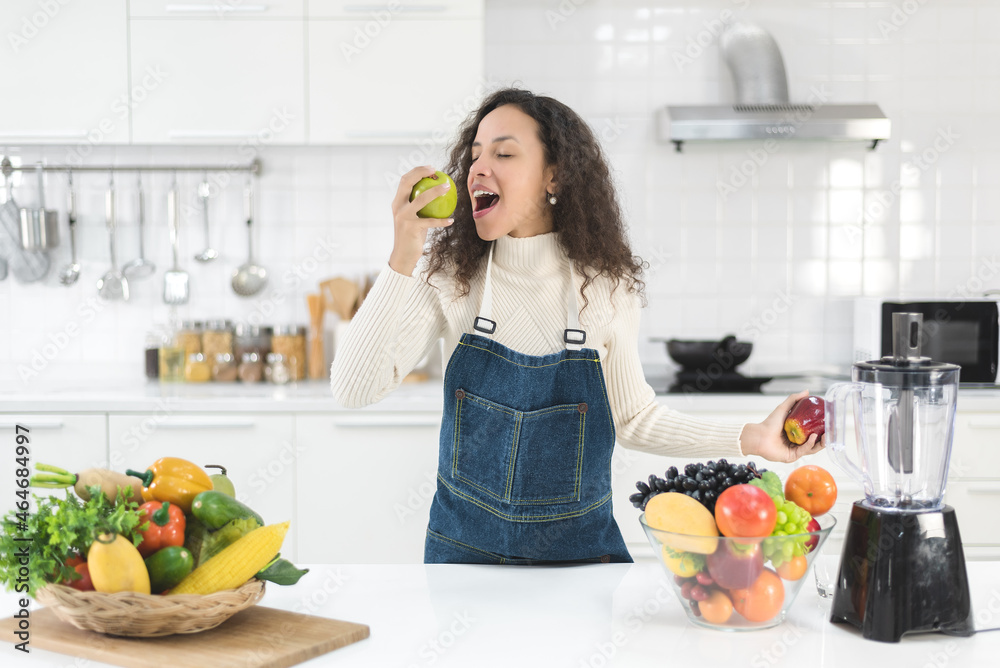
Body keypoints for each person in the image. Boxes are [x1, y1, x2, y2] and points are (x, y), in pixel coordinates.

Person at [331, 88, 824, 565]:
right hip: (464, 562)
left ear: (554, 177)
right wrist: (404, 252)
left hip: (579, 563)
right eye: (475, 154)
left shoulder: (605, 287)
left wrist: (752, 437)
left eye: (503, 154)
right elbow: (352, 390)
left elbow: (633, 421)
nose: (478, 167)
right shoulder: (451, 279)